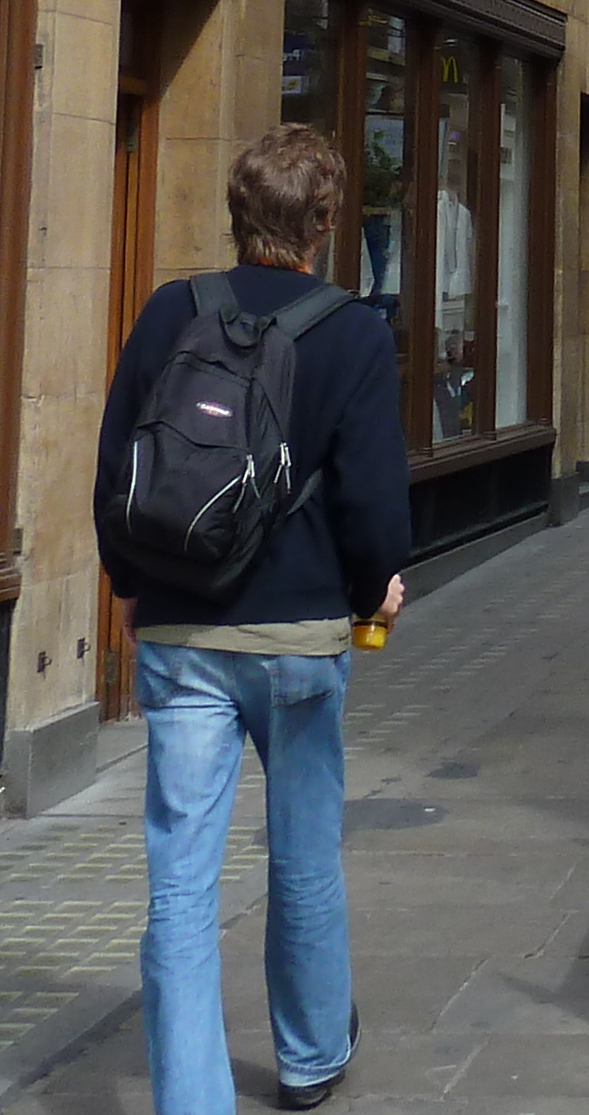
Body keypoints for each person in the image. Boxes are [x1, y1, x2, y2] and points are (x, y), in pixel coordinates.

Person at [98, 125, 413, 1115]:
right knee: (304, 852)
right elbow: (370, 497)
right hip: (300, 639)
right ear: (324, 224)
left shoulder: (167, 314)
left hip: (181, 633)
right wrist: (376, 591)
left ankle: (191, 1100)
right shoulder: (354, 331)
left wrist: (130, 587)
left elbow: (118, 470)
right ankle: (312, 1055)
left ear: (239, 218)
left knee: (182, 881)